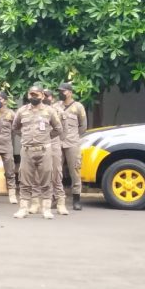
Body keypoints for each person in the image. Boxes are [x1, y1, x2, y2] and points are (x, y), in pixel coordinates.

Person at [12, 85, 62, 219]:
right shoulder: (22, 111)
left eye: (36, 95)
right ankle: (23, 208)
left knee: (46, 180)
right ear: (28, 95)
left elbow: (58, 129)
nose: (33, 97)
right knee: (24, 180)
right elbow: (15, 127)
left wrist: (45, 137)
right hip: (27, 150)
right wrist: (25, 137)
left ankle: (46, 209)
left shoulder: (49, 111)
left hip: (44, 150)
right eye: (31, 95)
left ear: (42, 96)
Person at [56, 82, 88, 211]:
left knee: (75, 170)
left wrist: (73, 136)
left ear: (69, 92)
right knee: (56, 170)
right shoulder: (55, 106)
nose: (60, 93)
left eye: (63, 91)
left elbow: (83, 126)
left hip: (72, 142)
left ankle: (76, 199)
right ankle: (57, 198)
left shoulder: (78, 107)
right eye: (59, 91)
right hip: (58, 142)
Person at [42, 89, 66, 215]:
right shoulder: (38, 110)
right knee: (44, 172)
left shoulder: (58, 111)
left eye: (47, 96)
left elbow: (63, 129)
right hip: (42, 144)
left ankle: (60, 202)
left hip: (55, 142)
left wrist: (58, 140)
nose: (45, 98)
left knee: (57, 172)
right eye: (43, 95)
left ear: (52, 98)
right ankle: (46, 200)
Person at [0, 91, 18, 204]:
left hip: (7, 145)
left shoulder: (11, 114)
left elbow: (15, 129)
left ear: (5, 101)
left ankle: (12, 194)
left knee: (10, 170)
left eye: (0, 99)